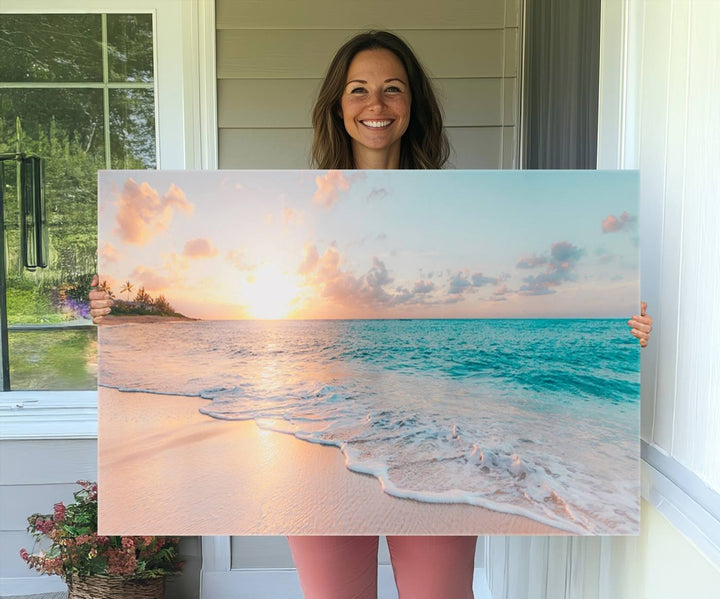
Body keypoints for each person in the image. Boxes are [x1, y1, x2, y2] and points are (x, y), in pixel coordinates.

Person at [89, 30, 653, 599]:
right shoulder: (300, 208)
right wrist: (117, 312)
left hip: (438, 440)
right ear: (338, 105)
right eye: (358, 90)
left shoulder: (455, 206)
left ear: (413, 105)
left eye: (393, 89)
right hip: (317, 425)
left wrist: (620, 330)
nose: (376, 105)